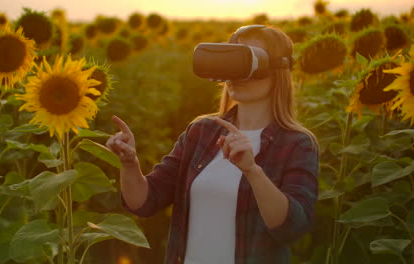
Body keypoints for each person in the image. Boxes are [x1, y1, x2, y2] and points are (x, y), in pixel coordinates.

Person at [105, 25, 319, 264]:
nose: (236, 74)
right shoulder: (201, 131)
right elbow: (144, 202)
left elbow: (293, 227)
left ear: (278, 70)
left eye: (248, 60)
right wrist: (129, 163)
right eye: (231, 59)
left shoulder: (297, 143)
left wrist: (252, 171)